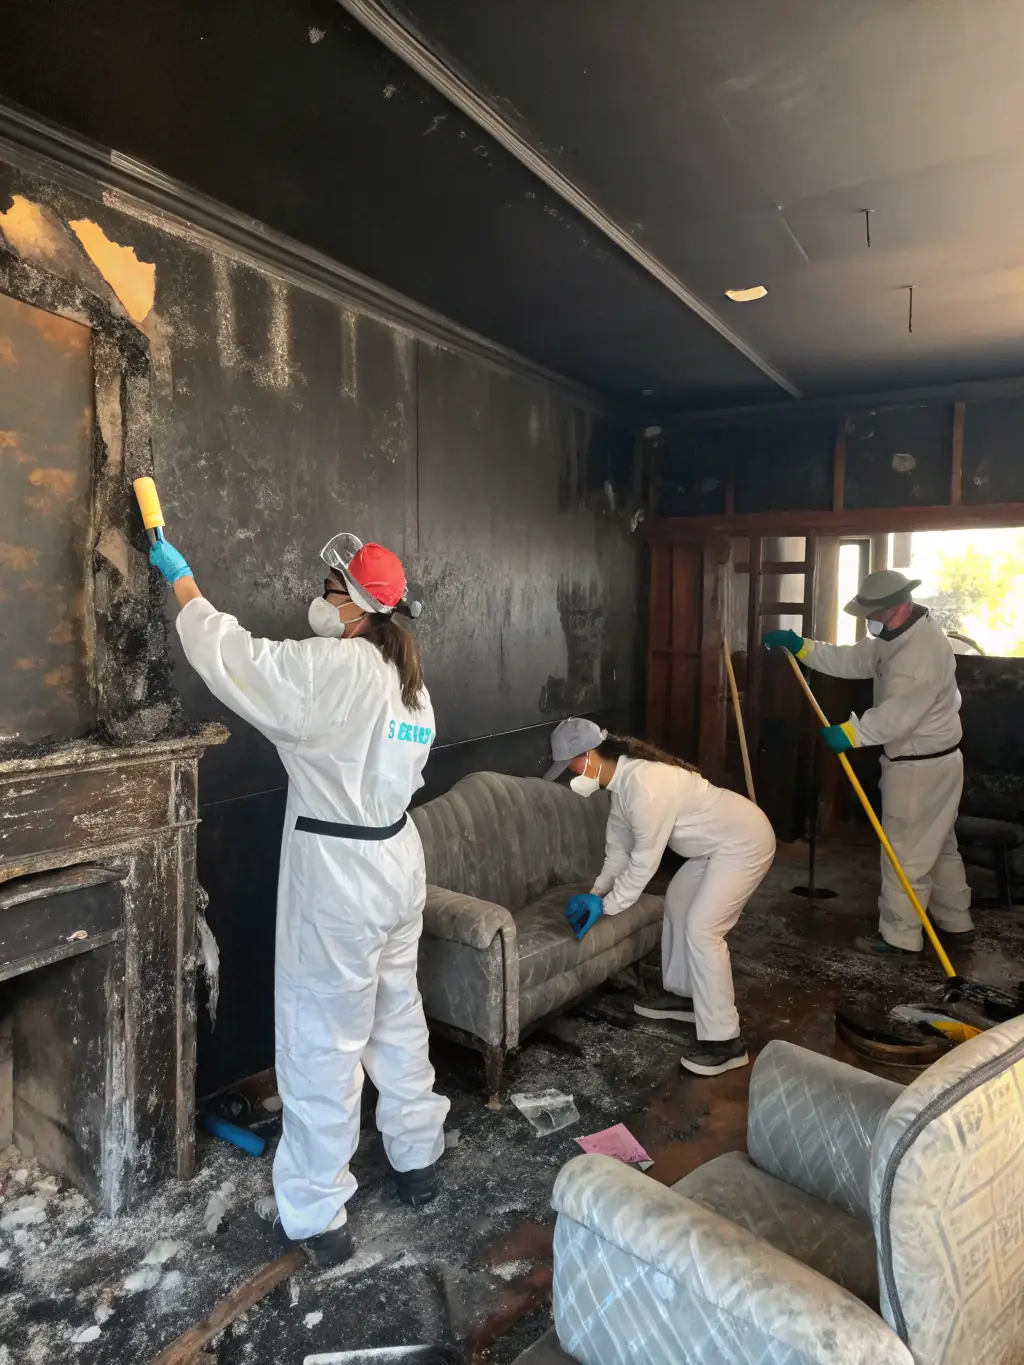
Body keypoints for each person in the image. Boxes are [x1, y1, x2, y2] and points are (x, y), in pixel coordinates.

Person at [148, 528, 449, 1266]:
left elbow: (239, 661)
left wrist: (183, 584)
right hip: (396, 860)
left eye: (328, 585)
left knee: (323, 1040)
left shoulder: (335, 668)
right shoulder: (411, 682)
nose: (319, 595)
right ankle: (418, 1157)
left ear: (351, 602)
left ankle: (317, 1211)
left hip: (341, 870)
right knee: (396, 1015)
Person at [544, 719, 776, 1077]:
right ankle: (685, 995)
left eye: (570, 765)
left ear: (588, 756)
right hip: (711, 850)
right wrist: (594, 893)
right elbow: (617, 854)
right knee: (679, 904)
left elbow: (643, 862)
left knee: (703, 929)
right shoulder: (621, 787)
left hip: (745, 842)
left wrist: (607, 907)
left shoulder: (645, 785)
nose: (568, 774)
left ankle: (725, 1042)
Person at [764, 568, 975, 958]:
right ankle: (955, 921)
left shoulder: (920, 653)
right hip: (933, 760)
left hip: (920, 765)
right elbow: (855, 659)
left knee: (904, 853)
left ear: (901, 606)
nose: (870, 621)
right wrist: (803, 647)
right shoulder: (895, 635)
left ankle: (900, 936)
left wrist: (851, 734)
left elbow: (899, 715)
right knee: (939, 845)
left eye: (875, 613)